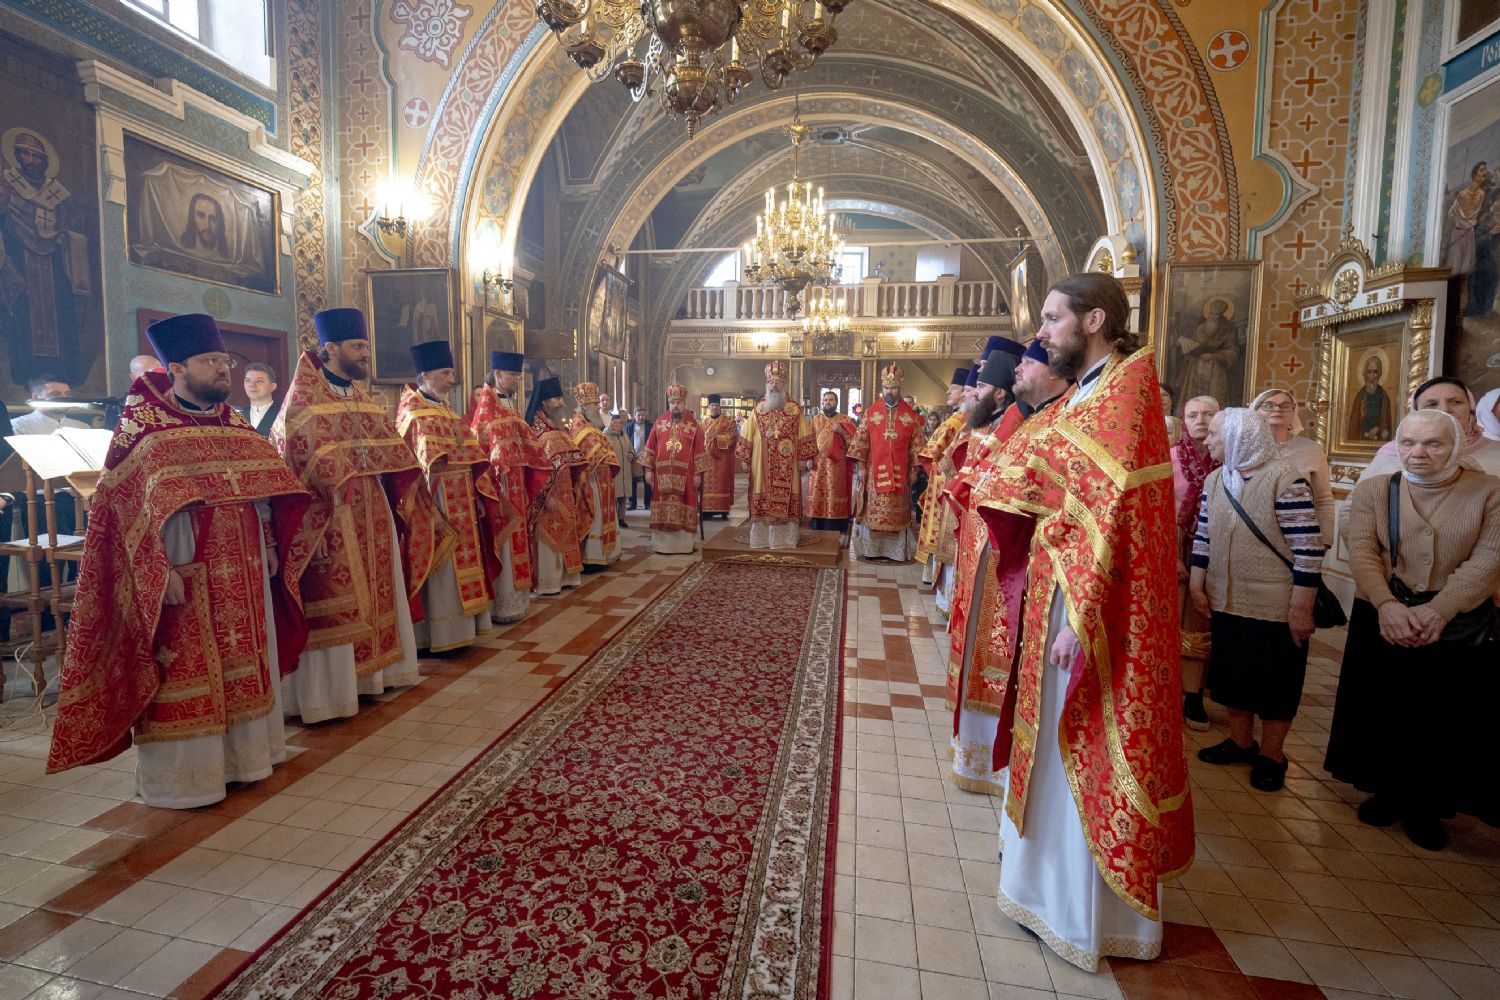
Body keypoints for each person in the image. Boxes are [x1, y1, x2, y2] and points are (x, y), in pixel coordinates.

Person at [970, 272, 1192, 969]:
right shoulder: (1087, 395)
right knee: (1053, 742)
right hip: (1060, 593)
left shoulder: (1124, 396)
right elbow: (1030, 468)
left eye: (1051, 318)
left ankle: (1085, 913)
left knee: (1085, 736)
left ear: (1094, 319)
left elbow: (1115, 517)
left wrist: (1082, 619)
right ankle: (1042, 891)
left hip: (1092, 608)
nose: (1040, 331)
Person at [46, 313, 311, 808]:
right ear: (178, 369)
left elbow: (263, 491)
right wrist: (157, 568)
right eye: (210, 361)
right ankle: (190, 781)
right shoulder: (143, 429)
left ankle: (247, 760)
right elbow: (125, 513)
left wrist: (271, 542)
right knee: (186, 664)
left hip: (245, 563)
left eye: (224, 360)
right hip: (183, 564)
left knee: (244, 655)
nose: (223, 370)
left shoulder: (233, 421)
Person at [1324, 408, 1500, 849]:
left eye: (1433, 443)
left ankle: (1427, 805)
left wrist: (1440, 610)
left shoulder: (1488, 492)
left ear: (1456, 446)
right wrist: (1386, 605)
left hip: (1455, 619)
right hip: (1384, 615)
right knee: (1385, 705)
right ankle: (1387, 791)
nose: (1417, 453)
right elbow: (1362, 549)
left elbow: (1488, 560)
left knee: (1442, 714)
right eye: (1409, 443)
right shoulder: (1374, 490)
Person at [272, 308, 449, 722]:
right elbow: (295, 458)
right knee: (337, 601)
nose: (365, 353)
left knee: (379, 589)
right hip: (329, 519)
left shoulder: (363, 400)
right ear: (330, 348)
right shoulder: (303, 402)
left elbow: (395, 454)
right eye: (357, 347)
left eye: (367, 345)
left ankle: (377, 676)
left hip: (373, 510)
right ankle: (330, 696)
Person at [1191, 408, 1323, 791]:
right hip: (1226, 598)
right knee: (1233, 676)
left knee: (1275, 683)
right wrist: (1199, 586)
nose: (1207, 439)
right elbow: (1204, 536)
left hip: (1274, 606)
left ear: (1238, 437)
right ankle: (1241, 740)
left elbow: (1308, 550)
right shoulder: (1216, 479)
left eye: (1215, 434)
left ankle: (1272, 755)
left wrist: (1301, 608)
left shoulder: (1285, 479)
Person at [942, 346, 1026, 794]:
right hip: (978, 551)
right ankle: (971, 752)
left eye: (980, 388)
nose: (972, 394)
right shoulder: (994, 423)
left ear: (999, 392)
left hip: (998, 558)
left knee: (992, 651)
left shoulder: (1014, 424)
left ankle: (990, 760)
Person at [396, 340, 506, 651]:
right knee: (439, 566)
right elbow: (408, 464)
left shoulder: (446, 409)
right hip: (432, 501)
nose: (452, 379)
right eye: (446, 373)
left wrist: (478, 496)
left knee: (465, 561)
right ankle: (437, 634)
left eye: (452, 373)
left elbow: (471, 457)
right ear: (426, 374)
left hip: (463, 501)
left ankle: (464, 629)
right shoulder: (411, 412)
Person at [469, 352, 545, 623]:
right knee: (503, 544)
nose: (516, 379)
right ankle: (502, 604)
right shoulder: (487, 410)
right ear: (498, 375)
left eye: (517, 375)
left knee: (518, 542)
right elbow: (482, 452)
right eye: (513, 375)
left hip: (516, 484)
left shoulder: (509, 407)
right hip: (499, 487)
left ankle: (517, 602)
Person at [1172, 395, 1221, 731]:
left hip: (1216, 550)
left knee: (1202, 624)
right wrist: (1171, 554)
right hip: (1174, 549)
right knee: (1171, 620)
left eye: (1209, 414)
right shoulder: (1169, 458)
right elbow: (1157, 507)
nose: (1201, 420)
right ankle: (1168, 691)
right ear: (1183, 420)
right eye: (1193, 415)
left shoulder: (1229, 460)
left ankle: (1194, 695)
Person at [849, 364, 926, 561]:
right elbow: (861, 442)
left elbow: (917, 445)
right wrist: (862, 468)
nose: (889, 391)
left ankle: (895, 552)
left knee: (897, 512)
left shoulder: (911, 416)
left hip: (901, 472)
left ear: (899, 389)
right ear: (881, 389)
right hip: (875, 472)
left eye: (892, 388)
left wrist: (915, 470)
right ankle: (872, 551)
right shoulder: (870, 413)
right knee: (873, 510)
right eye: (886, 388)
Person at [1357, 376, 1500, 480]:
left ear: (1471, 409)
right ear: (1416, 412)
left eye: (1456, 402)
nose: (1444, 409)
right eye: (1431, 404)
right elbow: (1355, 507)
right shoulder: (1392, 454)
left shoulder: (1495, 452)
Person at [737, 362, 815, 549]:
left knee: (788, 498)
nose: (774, 385)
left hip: (790, 466)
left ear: (784, 384)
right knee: (762, 496)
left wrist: (804, 458)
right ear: (766, 384)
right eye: (771, 382)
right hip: (760, 465)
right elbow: (747, 433)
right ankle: (762, 539)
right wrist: (745, 458)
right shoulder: (758, 410)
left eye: (778, 382)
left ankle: (785, 540)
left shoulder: (795, 410)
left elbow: (805, 434)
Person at [527, 377, 588, 593]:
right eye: (555, 399)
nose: (561, 403)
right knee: (547, 536)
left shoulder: (556, 426)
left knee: (566, 531)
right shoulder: (535, 430)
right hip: (547, 497)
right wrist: (546, 495)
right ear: (543, 402)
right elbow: (535, 468)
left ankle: (566, 577)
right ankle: (548, 581)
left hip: (565, 492)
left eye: (561, 398)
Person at [1250, 387, 1336, 541]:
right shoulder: (1244, 449)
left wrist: (1324, 541)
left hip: (1300, 536)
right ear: (1256, 411)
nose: (1277, 409)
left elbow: (1323, 500)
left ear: (1293, 413)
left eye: (1285, 406)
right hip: (1252, 534)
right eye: (1268, 405)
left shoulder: (1312, 449)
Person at [916, 369, 969, 588]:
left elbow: (931, 455)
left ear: (966, 392)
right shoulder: (959, 419)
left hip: (948, 486)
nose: (949, 390)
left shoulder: (958, 421)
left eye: (954, 388)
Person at [641, 384, 708, 553]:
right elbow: (650, 447)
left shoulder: (694, 426)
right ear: (668, 403)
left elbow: (700, 450)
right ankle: (662, 545)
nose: (675, 406)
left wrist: (698, 475)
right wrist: (648, 470)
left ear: (684, 403)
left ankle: (684, 545)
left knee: (685, 504)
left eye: (678, 402)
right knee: (663, 507)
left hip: (686, 476)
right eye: (672, 402)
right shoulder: (660, 422)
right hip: (661, 475)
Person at [569, 381, 621, 570]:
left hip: (603, 479)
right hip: (589, 481)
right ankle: (593, 557)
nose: (597, 407)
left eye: (596, 404)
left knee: (604, 515)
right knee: (595, 515)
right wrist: (602, 454)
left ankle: (607, 553)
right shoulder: (577, 427)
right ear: (583, 406)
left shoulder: (593, 425)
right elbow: (582, 452)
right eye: (593, 405)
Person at [806, 389, 857, 537]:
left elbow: (854, 444)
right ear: (822, 403)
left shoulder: (846, 420)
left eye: (831, 400)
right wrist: (809, 458)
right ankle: (818, 524)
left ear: (836, 403)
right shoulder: (815, 420)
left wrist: (841, 431)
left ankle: (836, 525)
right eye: (826, 400)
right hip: (818, 464)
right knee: (817, 491)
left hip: (837, 465)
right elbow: (809, 441)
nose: (828, 402)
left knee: (835, 491)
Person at [1174, 296, 1238, 404]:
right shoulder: (1201, 328)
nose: (1212, 317)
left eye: (1216, 315)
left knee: (1216, 398)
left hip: (1216, 370)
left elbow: (1233, 353)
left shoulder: (1228, 330)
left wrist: (1214, 356)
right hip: (1196, 367)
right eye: (1211, 314)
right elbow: (1193, 346)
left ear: (1222, 316)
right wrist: (1186, 345)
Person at [699, 393, 739, 519]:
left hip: (722, 460)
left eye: (716, 405)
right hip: (707, 460)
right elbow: (699, 440)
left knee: (721, 484)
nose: (714, 408)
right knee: (706, 485)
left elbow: (733, 437)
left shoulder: (728, 422)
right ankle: (706, 511)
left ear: (719, 406)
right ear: (708, 407)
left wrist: (719, 438)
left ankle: (723, 511)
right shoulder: (704, 423)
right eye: (712, 405)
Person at [12, 374, 88, 434]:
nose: (64, 399)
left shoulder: (83, 427)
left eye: (67, 394)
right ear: (35, 397)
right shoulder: (18, 426)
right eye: (55, 394)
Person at [1347, 355, 1394, 442]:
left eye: (1375, 372)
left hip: (1378, 441)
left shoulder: (1383, 395)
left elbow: (1386, 424)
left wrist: (1378, 429)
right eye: (1369, 372)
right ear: (1365, 374)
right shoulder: (1360, 396)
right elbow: (1353, 424)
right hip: (1361, 440)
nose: (1372, 376)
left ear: (1379, 374)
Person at [604, 410, 634, 529]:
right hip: (613, 471)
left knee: (623, 497)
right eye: (616, 422)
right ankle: (613, 519)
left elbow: (631, 448)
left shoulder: (624, 435)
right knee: (614, 496)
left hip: (625, 470)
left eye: (620, 423)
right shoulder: (605, 435)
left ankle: (621, 519)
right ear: (611, 423)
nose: (618, 425)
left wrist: (631, 453)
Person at [240, 362, 281, 437]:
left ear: (272, 386)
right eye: (248, 380)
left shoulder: (283, 414)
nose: (252, 385)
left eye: (259, 381)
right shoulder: (237, 416)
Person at [626, 405, 652, 510]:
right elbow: (626, 441)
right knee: (633, 481)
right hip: (634, 457)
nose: (641, 417)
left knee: (648, 481)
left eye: (643, 415)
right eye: (639, 415)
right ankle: (632, 503)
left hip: (647, 456)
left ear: (646, 415)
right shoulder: (629, 426)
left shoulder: (650, 426)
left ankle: (647, 503)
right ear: (634, 415)